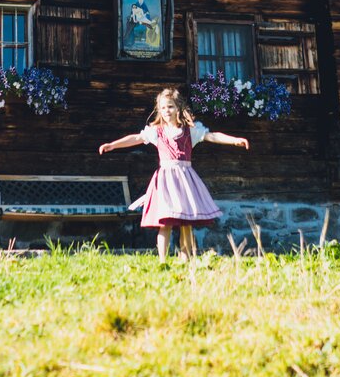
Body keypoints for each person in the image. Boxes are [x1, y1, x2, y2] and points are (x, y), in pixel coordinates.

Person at [98, 87, 249, 260]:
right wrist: (113, 144)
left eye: (170, 107)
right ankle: (163, 259)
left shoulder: (190, 131)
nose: (166, 111)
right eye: (162, 108)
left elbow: (212, 136)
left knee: (186, 223)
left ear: (178, 108)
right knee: (166, 222)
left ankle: (185, 258)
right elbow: (136, 138)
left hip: (185, 181)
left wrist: (234, 140)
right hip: (165, 182)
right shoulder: (156, 131)